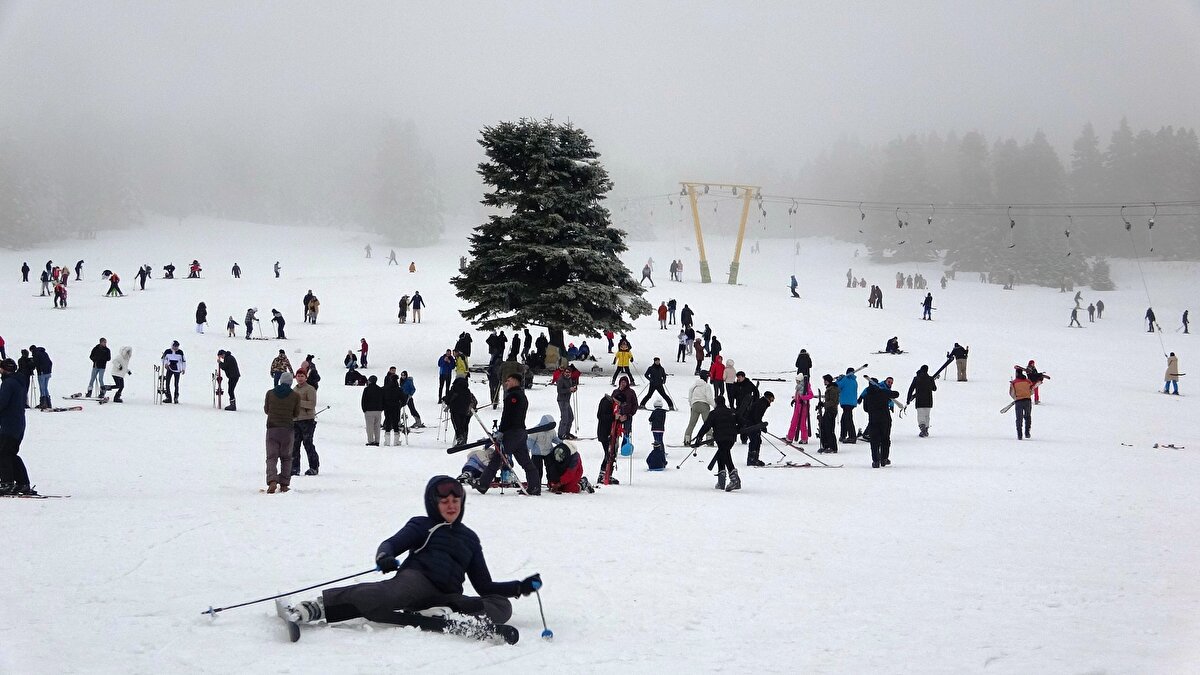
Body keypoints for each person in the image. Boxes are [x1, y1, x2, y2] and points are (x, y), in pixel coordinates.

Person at [283, 475, 541, 635]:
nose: (451, 505)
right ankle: (315, 607)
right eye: (444, 501)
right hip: (416, 581)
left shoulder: (470, 539)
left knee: (501, 606)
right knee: (387, 594)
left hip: (447, 595)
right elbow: (392, 543)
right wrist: (384, 556)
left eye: (456, 500)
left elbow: (484, 585)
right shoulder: (422, 524)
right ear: (434, 503)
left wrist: (520, 587)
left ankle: (439, 612)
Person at [474, 374, 538, 495]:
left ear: (515, 381)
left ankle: (483, 484)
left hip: (511, 433)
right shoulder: (522, 396)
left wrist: (501, 431)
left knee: (497, 458)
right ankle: (534, 486)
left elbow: (507, 416)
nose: (506, 383)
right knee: (525, 461)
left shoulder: (513, 396)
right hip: (521, 432)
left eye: (508, 380)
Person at [0, 358, 36, 495]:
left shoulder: (8, 384)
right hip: (18, 424)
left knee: (3, 453)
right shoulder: (18, 382)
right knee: (10, 453)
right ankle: (23, 483)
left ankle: (7, 483)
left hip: (10, 425)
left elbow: (2, 403)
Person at [691, 396, 740, 492]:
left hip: (721, 438)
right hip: (731, 438)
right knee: (723, 454)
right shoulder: (731, 412)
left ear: (716, 403)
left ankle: (734, 479)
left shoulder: (714, 413)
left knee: (725, 454)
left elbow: (706, 426)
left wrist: (699, 437)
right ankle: (721, 481)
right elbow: (742, 421)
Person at [263, 372, 299, 493]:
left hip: (272, 428)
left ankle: (272, 481)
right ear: (290, 382)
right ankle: (284, 484)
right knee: (286, 457)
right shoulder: (295, 396)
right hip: (287, 429)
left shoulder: (270, 393)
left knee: (271, 457)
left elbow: (266, 410)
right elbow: (296, 414)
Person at [860, 377, 899, 467]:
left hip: (873, 420)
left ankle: (876, 460)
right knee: (885, 439)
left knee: (874, 441)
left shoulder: (867, 395)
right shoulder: (883, 392)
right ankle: (884, 458)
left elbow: (865, 409)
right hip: (885, 419)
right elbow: (896, 394)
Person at [290, 369, 319, 477]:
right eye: (298, 376)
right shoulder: (294, 390)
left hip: (307, 420)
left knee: (308, 444)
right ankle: (295, 468)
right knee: (294, 445)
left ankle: (314, 466)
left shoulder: (310, 389)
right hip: (295, 420)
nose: (300, 378)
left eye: (302, 376)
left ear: (305, 377)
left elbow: (312, 404)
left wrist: (298, 402)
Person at [443, 376, 477, 447]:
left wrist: (445, 399)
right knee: (463, 424)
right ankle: (464, 439)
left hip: (455, 410)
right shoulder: (467, 390)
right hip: (465, 410)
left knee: (457, 425)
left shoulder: (454, 389)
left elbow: (448, 399)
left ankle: (460, 438)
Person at [744, 391, 774, 466]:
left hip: (753, 424)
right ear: (769, 398)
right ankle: (751, 460)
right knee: (754, 440)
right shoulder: (762, 404)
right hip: (751, 424)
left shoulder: (762, 403)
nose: (771, 402)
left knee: (757, 440)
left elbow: (757, 417)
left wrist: (761, 426)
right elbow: (756, 416)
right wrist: (762, 426)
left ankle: (755, 458)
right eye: (772, 399)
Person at [906, 365, 937, 437]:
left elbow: (911, 389)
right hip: (928, 401)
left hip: (920, 401)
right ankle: (926, 429)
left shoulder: (916, 378)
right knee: (927, 416)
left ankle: (923, 430)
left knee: (921, 416)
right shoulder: (930, 378)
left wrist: (908, 399)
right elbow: (934, 389)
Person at [786, 375, 813, 444]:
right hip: (797, 406)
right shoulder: (799, 387)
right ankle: (790, 437)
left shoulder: (806, 386)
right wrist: (795, 399)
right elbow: (798, 396)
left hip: (803, 407)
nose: (796, 382)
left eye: (797, 380)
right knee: (793, 422)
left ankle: (804, 438)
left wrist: (803, 398)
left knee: (802, 423)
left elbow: (811, 395)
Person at [835, 368, 859, 444]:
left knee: (848, 419)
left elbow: (837, 386)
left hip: (846, 402)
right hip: (851, 402)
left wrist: (838, 379)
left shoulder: (845, 380)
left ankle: (852, 436)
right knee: (845, 419)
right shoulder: (854, 381)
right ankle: (843, 435)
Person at [1009, 367, 1034, 440]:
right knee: (1028, 416)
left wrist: (1016, 398)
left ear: (1016, 373)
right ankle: (1027, 432)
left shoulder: (1013, 382)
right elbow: (1032, 391)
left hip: (1019, 401)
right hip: (1027, 401)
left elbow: (1011, 393)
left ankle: (1019, 434)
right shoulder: (1028, 381)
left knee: (1019, 418)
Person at [817, 374, 839, 454]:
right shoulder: (830, 388)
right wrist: (821, 405)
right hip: (828, 410)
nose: (824, 382)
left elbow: (834, 402)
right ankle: (826, 445)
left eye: (825, 380)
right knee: (824, 427)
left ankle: (832, 447)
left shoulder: (833, 389)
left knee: (829, 429)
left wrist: (824, 404)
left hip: (831, 411)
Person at [555, 362, 576, 440]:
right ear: (564, 372)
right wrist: (569, 390)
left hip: (567, 400)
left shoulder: (569, 379)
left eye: (569, 372)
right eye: (566, 372)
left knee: (570, 417)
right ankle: (561, 434)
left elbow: (571, 387)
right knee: (565, 418)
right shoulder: (561, 379)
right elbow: (559, 390)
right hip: (562, 400)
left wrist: (573, 389)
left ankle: (567, 432)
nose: (567, 374)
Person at [382, 372, 403, 446]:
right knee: (395, 423)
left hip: (387, 407)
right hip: (396, 407)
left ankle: (387, 441)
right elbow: (403, 398)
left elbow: (382, 396)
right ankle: (396, 441)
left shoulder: (385, 388)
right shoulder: (399, 389)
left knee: (387, 422)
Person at [30, 345, 52, 410]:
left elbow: (35, 363)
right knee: (45, 387)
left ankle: (43, 403)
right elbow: (50, 362)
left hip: (42, 373)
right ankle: (48, 403)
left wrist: (31, 366)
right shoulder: (44, 353)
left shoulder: (36, 354)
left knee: (42, 388)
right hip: (48, 372)